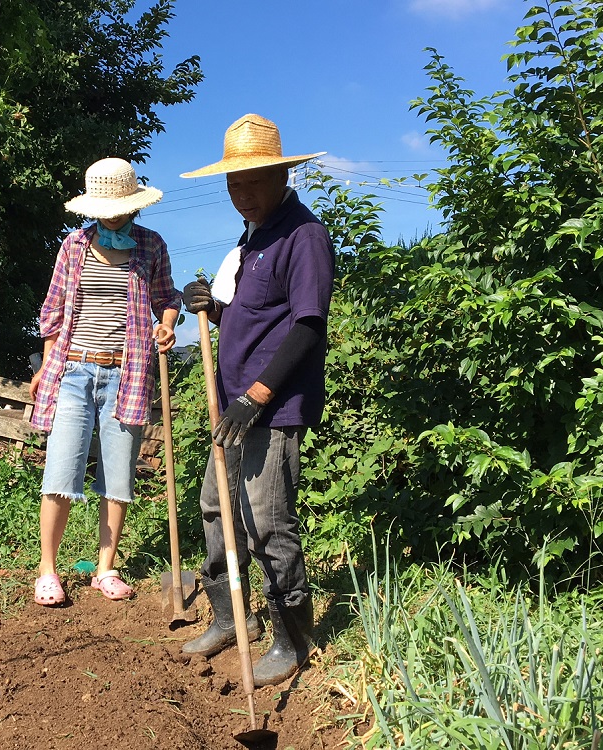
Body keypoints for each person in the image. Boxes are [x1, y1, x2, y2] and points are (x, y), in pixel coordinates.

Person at [179, 114, 334, 686]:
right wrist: (211, 308)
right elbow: (254, 318)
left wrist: (258, 395)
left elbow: (306, 327)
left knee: (267, 521)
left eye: (251, 182)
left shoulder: (303, 235)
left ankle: (290, 640)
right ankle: (227, 617)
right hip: (232, 406)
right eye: (232, 184)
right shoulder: (254, 237)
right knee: (217, 509)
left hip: (269, 407)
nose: (240, 194)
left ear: (280, 174)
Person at [29, 157, 181, 607]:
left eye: (120, 206)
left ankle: (105, 568)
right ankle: (48, 571)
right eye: (104, 207)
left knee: (118, 478)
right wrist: (45, 366)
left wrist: (167, 323)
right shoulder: (74, 246)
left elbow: (167, 298)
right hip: (73, 371)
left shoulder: (151, 246)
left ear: (134, 205)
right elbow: (54, 313)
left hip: (127, 372)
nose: (112, 214)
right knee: (60, 473)